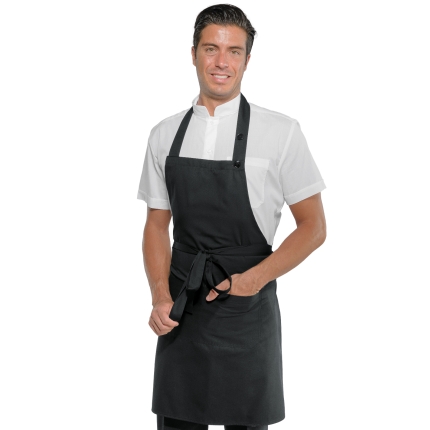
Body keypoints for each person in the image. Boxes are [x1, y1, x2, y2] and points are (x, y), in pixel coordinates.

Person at [137, 4, 327, 429]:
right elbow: (156, 224)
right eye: (211, 49)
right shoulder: (164, 134)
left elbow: (314, 227)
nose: (221, 62)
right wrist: (159, 296)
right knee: (178, 421)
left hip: (247, 306)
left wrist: (253, 280)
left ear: (247, 59)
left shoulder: (281, 132)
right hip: (181, 308)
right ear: (193, 54)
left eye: (234, 51)